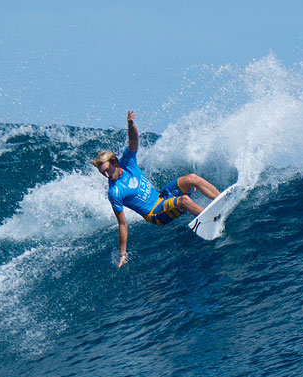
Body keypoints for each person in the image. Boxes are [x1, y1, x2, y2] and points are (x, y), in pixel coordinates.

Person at [92, 110, 220, 268]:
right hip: (154, 213)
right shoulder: (114, 192)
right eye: (102, 173)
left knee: (192, 178)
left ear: (115, 162)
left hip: (161, 197)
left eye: (107, 169)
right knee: (184, 200)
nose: (106, 175)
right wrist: (123, 254)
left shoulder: (128, 162)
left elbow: (133, 140)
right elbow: (122, 224)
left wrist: (130, 124)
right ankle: (210, 220)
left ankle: (220, 199)